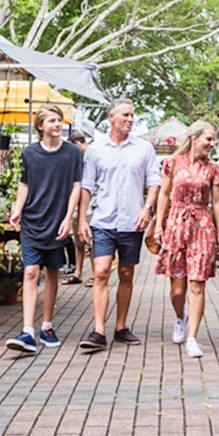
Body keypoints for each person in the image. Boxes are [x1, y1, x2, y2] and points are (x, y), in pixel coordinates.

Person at [76, 100, 161, 353]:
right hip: (103, 220)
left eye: (132, 115)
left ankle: (121, 327)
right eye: (125, 115)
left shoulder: (144, 149)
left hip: (132, 222)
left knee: (126, 273)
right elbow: (86, 185)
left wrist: (147, 208)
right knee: (101, 271)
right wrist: (82, 219)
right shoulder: (96, 149)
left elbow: (155, 181)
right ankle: (99, 330)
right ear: (111, 117)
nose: (130, 119)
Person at [5, 106, 82, 355]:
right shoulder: (30, 153)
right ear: (40, 125)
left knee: (52, 272)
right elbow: (25, 184)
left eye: (59, 120)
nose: (58, 124)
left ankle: (47, 325)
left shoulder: (72, 153)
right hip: (32, 220)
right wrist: (17, 209)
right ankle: (27, 330)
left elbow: (76, 186)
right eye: (52, 120)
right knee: (30, 271)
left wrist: (68, 218)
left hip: (56, 220)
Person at [150, 121, 219, 359]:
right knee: (177, 288)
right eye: (209, 139)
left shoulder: (213, 168)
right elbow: (164, 194)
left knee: (197, 283)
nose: (212, 144)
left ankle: (192, 337)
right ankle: (180, 318)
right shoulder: (173, 163)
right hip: (176, 222)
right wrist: (159, 226)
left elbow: (218, 201)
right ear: (195, 138)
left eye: (213, 140)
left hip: (202, 224)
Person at [63, 130, 94, 284]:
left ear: (78, 144)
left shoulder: (92, 155)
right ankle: (78, 272)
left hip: (91, 205)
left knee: (91, 241)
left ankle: (95, 274)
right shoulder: (76, 159)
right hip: (76, 205)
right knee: (78, 241)